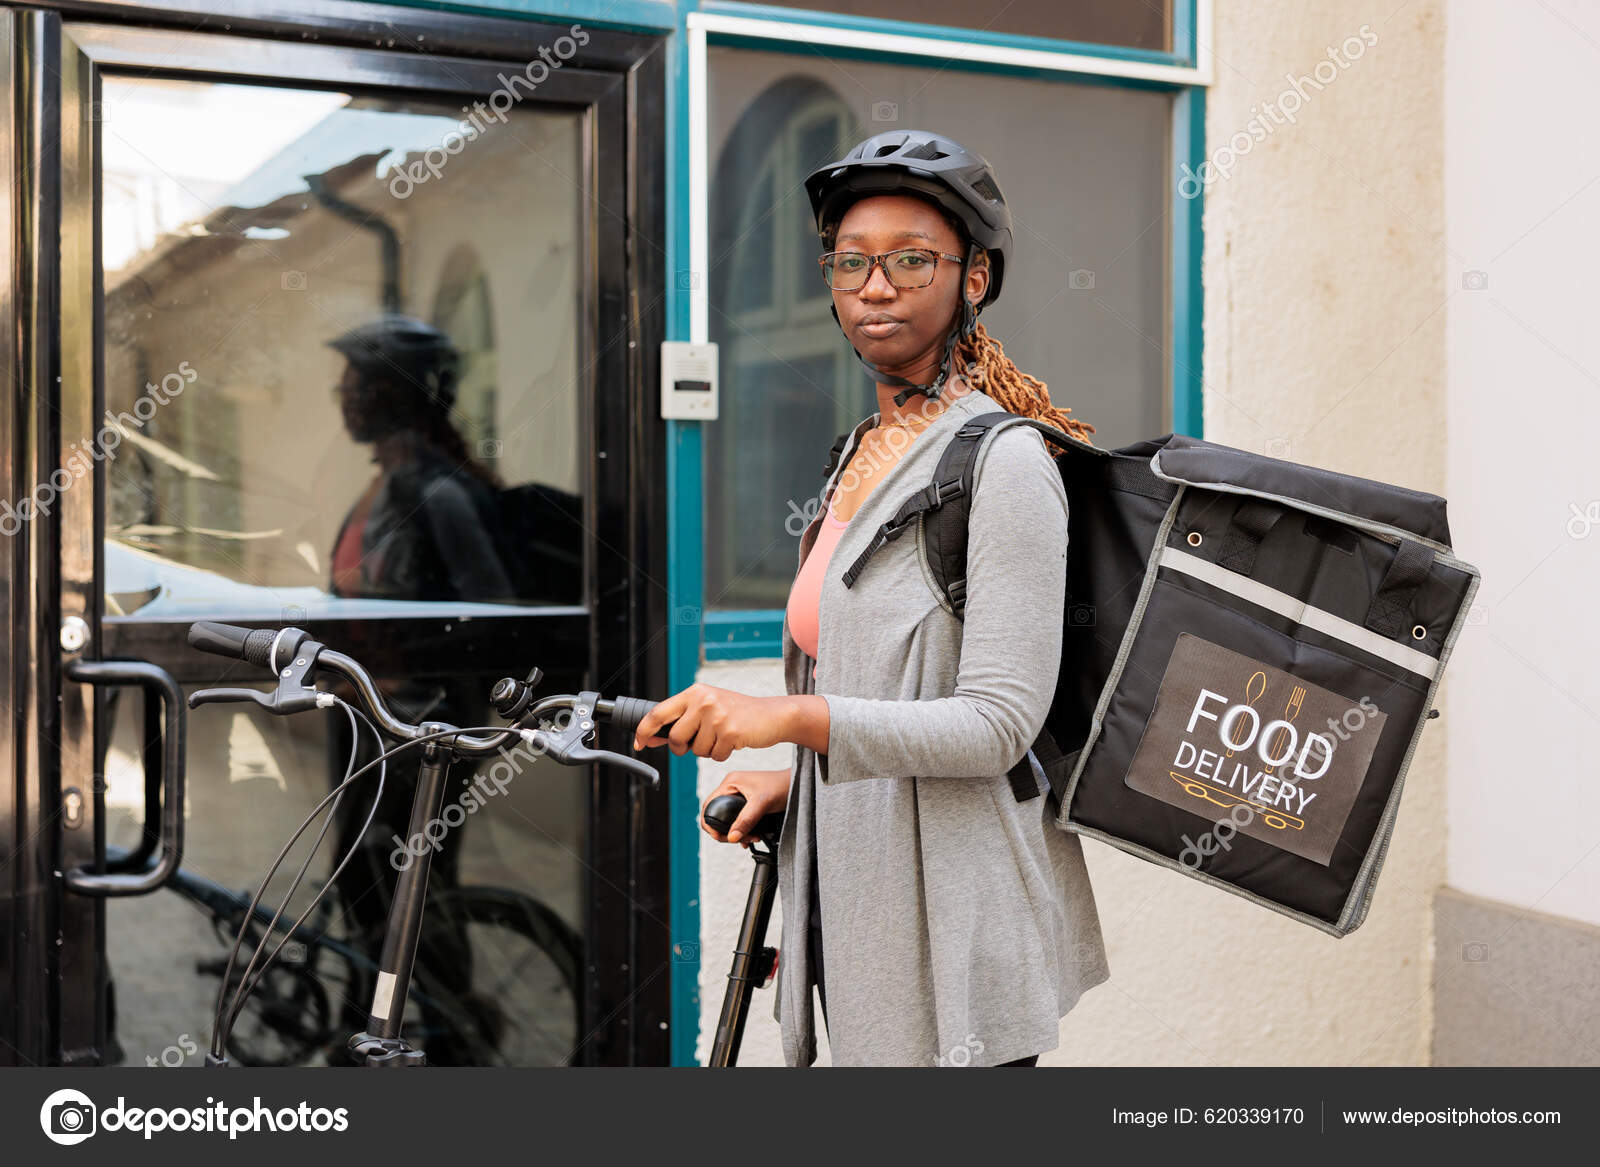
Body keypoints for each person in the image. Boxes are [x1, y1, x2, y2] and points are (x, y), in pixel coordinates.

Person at [631, 130, 1109, 1067]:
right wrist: (793, 783)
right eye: (852, 262)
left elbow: (995, 725)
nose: (875, 285)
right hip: (861, 906)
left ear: (974, 278)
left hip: (953, 931)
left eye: (910, 260)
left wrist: (786, 719)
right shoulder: (860, 454)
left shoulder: (1003, 463)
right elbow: (874, 686)